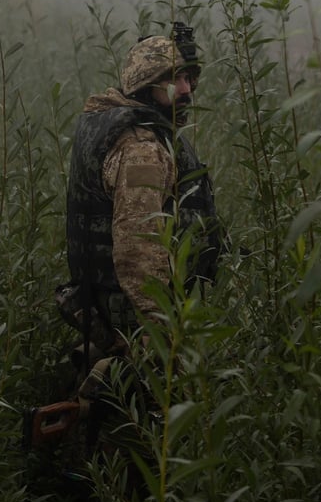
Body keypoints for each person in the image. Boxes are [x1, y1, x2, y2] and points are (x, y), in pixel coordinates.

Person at [62, 22, 222, 364]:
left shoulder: (124, 126)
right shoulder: (140, 146)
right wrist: (157, 325)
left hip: (115, 302)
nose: (186, 89)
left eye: (189, 78)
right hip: (133, 309)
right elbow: (139, 244)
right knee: (151, 408)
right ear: (147, 85)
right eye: (175, 79)